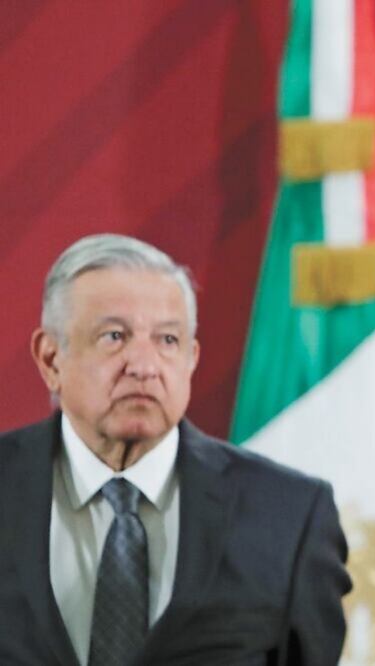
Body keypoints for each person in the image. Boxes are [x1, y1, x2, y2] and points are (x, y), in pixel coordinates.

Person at [0, 234, 351, 664]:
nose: (145, 366)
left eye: (167, 340)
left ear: (191, 358)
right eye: (114, 336)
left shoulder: (289, 515)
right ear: (51, 359)